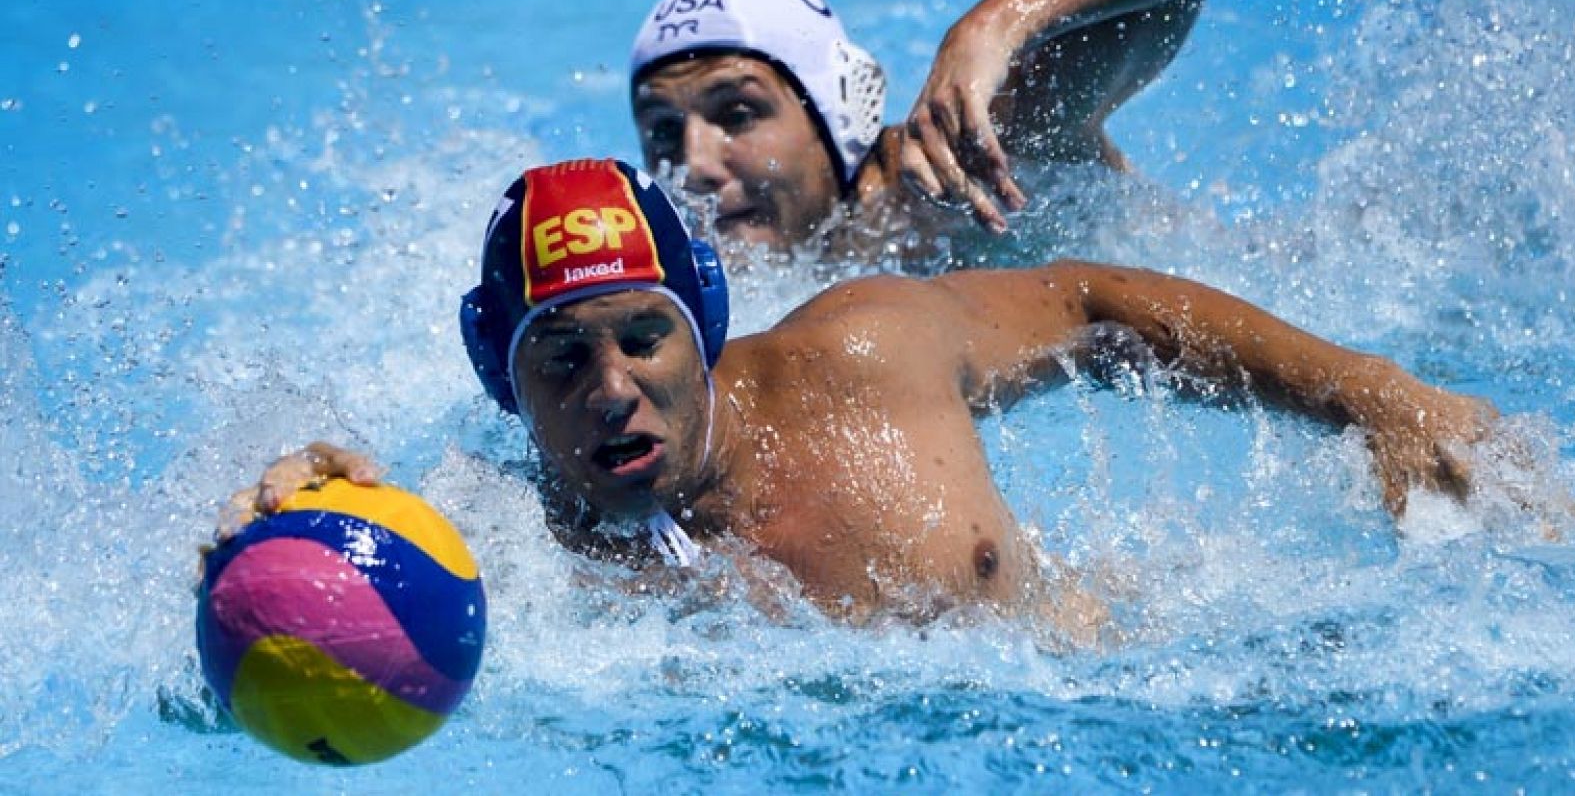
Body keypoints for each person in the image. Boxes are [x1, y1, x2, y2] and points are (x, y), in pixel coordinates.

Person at [218, 160, 1496, 642]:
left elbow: (1095, 302)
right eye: (559, 361)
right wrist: (294, 530)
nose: (611, 392)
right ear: (503, 379)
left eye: (643, 339)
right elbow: (368, 562)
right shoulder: (511, 546)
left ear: (701, 326)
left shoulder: (869, 355)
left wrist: (1377, 395)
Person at [628, 0, 1231, 258]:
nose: (693, 164)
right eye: (661, 131)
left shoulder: (958, 170)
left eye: (737, 114)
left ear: (836, 114)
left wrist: (990, 30)